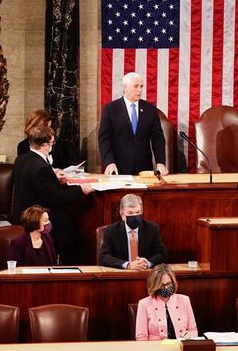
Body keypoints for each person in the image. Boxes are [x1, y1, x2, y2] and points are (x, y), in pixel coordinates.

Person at [13, 124, 94, 262]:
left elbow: (35, 182)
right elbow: (55, 197)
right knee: (72, 221)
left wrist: (52, 175)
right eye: (51, 143)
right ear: (44, 145)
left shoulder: (22, 159)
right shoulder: (40, 168)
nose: (52, 146)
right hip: (37, 219)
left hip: (24, 212)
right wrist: (81, 189)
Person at [99, 72, 169, 176]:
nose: (140, 90)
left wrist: (160, 163)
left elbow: (158, 139)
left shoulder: (150, 109)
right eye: (136, 86)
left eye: (141, 86)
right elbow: (104, 139)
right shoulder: (110, 109)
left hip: (144, 170)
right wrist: (109, 162)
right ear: (125, 87)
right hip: (118, 169)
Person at [99, 194, 169, 270]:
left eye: (137, 212)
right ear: (122, 214)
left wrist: (147, 263)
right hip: (121, 275)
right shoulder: (111, 231)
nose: (135, 216)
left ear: (142, 211)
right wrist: (128, 265)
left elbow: (163, 254)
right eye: (130, 213)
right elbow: (104, 257)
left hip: (145, 273)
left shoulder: (152, 229)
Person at [135, 264, 198, 340]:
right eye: (161, 285)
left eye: (168, 284)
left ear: (173, 282)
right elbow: (141, 337)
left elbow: (193, 330)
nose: (166, 288)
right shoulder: (144, 304)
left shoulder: (184, 300)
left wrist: (190, 335)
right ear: (155, 286)